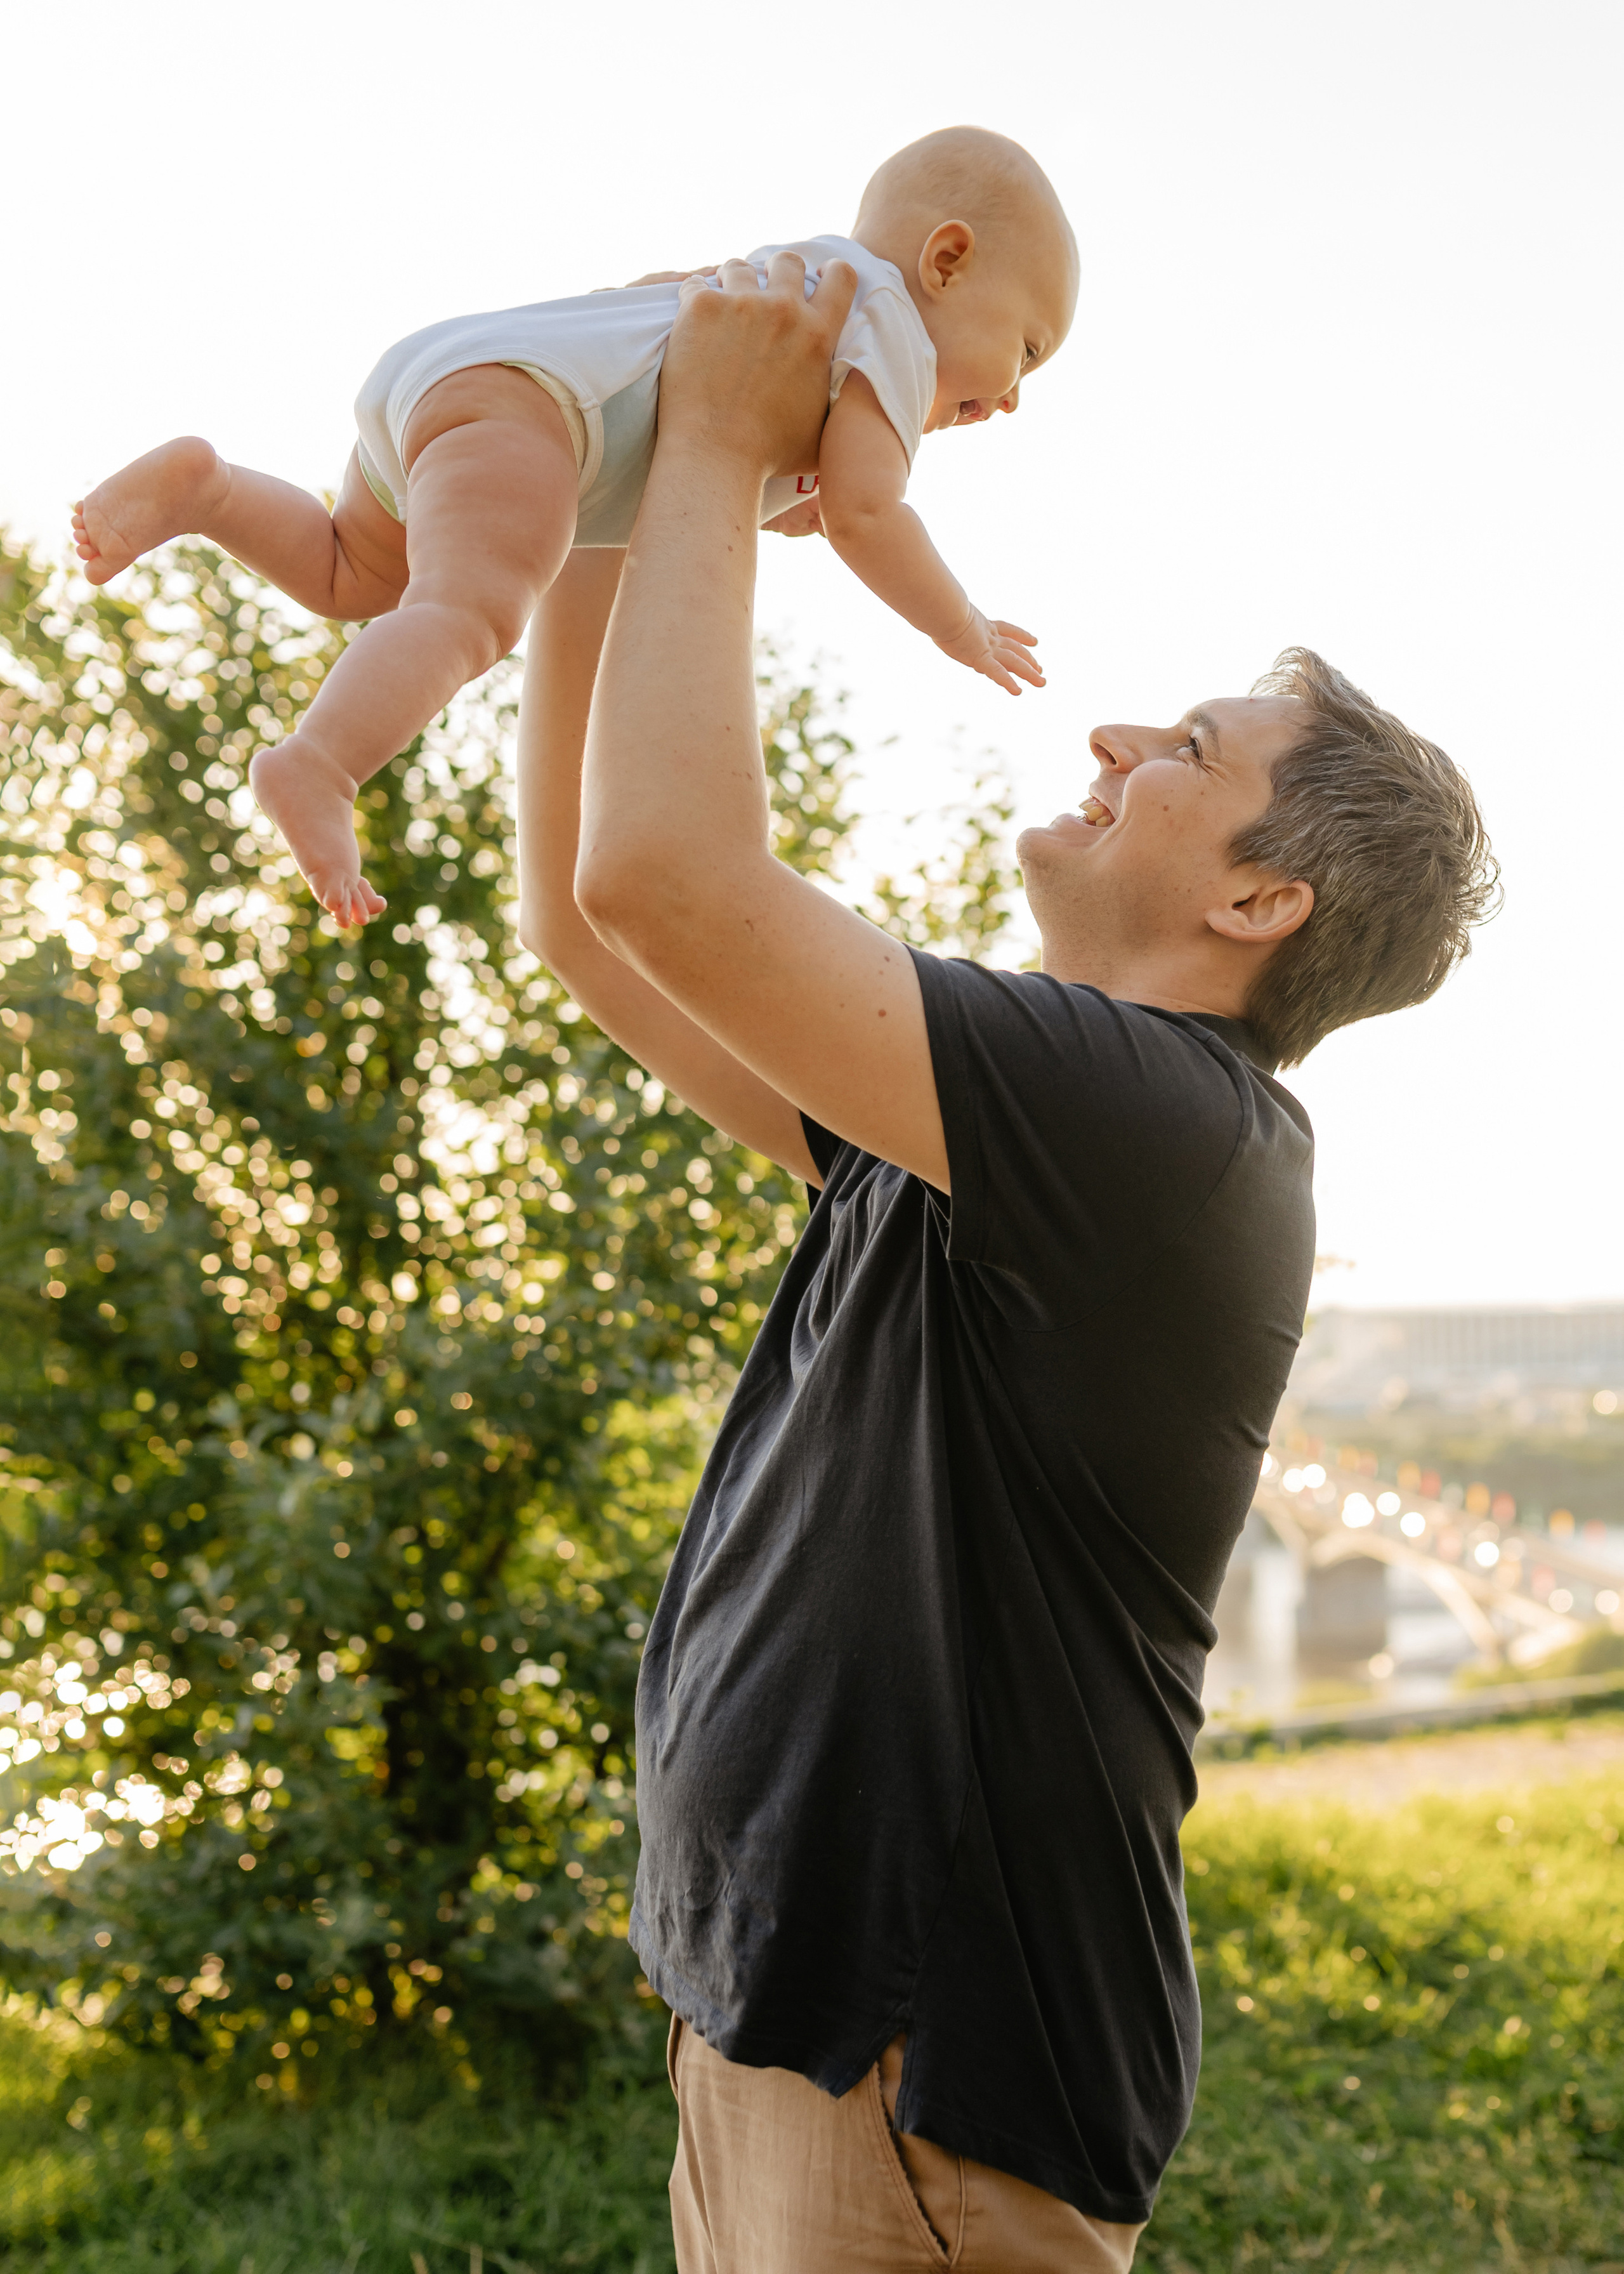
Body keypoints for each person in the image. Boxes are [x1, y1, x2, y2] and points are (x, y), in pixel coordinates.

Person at [516, 263, 1496, 2269]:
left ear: (1257, 895)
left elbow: (665, 878)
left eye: (1194, 745)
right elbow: (589, 924)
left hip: (924, 2078)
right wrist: (613, 503)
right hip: (793, 2043)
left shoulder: (1154, 1121)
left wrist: (713, 439)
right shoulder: (993, 1135)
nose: (1124, 727)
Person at [69, 126, 1075, 929]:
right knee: (471, 612)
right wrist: (962, 625)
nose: (1017, 398)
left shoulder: (807, 288)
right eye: (1027, 349)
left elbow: (779, 485)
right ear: (948, 258)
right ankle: (321, 762)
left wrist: (786, 506)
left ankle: (209, 491)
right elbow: (868, 512)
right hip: (534, 410)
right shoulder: (890, 321)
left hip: (461, 380)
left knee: (354, 576)